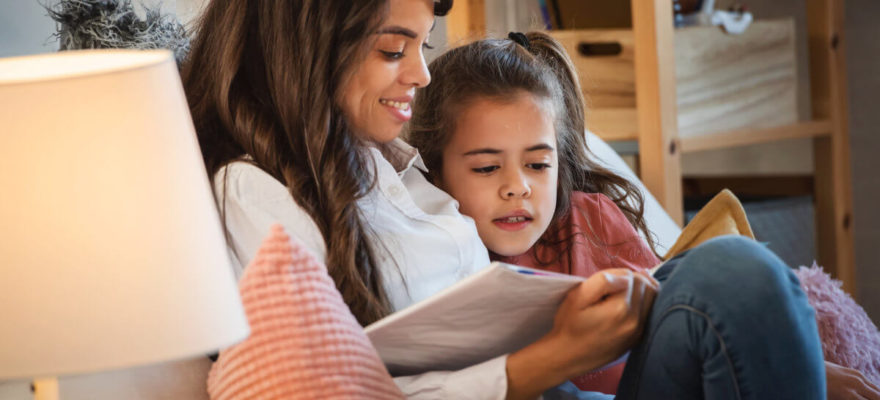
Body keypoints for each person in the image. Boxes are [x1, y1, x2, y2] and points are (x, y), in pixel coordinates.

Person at [178, 0, 864, 397]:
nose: (418, 73)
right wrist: (554, 354)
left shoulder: (386, 164)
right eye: (394, 50)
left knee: (737, 275)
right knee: (737, 278)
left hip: (558, 385)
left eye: (423, 46)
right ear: (308, 44)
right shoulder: (254, 192)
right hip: (537, 385)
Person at [406, 30, 878, 399]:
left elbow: (680, 311)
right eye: (487, 167)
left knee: (739, 264)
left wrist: (796, 364)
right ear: (437, 171)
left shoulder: (588, 220)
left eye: (538, 164)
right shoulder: (437, 251)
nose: (518, 186)